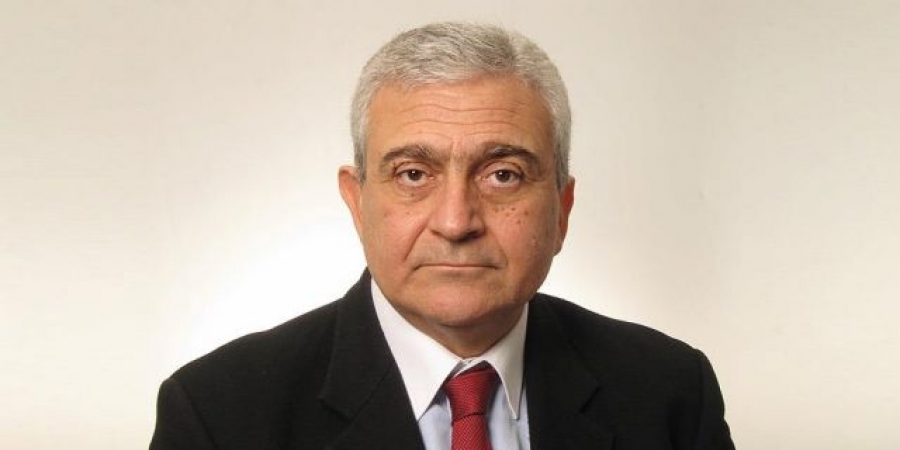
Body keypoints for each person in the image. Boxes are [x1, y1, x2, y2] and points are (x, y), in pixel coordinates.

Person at [150, 22, 734, 449]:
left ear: (561, 209)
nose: (456, 222)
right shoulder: (217, 416)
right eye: (413, 174)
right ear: (357, 203)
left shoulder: (670, 394)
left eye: (503, 174)